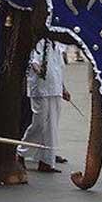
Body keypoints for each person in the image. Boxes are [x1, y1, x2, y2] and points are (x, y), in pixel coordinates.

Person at [19, 38, 70, 172]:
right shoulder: (40, 42)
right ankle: (20, 152)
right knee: (39, 123)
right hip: (41, 88)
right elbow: (34, 61)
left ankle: (46, 161)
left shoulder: (58, 45)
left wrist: (63, 88)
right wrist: (38, 70)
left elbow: (59, 68)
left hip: (55, 89)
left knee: (51, 126)